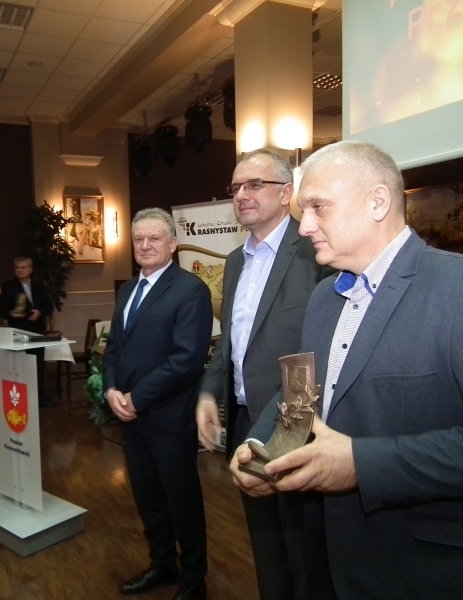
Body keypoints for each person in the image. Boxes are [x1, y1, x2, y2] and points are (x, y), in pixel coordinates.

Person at [231, 140, 463, 599]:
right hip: (332, 557)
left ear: (377, 202)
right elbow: (300, 395)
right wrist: (262, 450)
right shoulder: (323, 298)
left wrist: (362, 464)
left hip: (432, 570)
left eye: (319, 207)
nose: (306, 226)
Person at [195, 148, 326, 600]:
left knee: (303, 549)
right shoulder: (234, 261)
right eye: (236, 187)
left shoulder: (314, 252)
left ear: (286, 192)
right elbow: (231, 342)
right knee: (265, 544)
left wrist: (288, 428)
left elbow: (319, 350)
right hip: (244, 420)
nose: (241, 195)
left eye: (254, 185)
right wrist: (209, 394)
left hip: (296, 422)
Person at [104, 208, 213, 600]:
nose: (145, 246)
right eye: (139, 239)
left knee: (181, 501)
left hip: (169, 417)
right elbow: (114, 348)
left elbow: (186, 360)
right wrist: (111, 389)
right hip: (130, 417)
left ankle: (193, 579)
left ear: (173, 244)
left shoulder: (190, 290)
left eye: (154, 238)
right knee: (148, 497)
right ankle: (162, 564)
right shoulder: (126, 290)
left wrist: (137, 398)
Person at [0, 257, 53, 404]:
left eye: (23, 267)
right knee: (19, 365)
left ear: (30, 269)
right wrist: (13, 314)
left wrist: (39, 312)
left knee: (38, 365)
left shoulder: (39, 286)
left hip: (37, 330)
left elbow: (48, 306)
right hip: (18, 331)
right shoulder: (8, 287)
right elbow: (2, 311)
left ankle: (39, 397)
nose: (20, 270)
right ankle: (20, 398)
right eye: (17, 268)